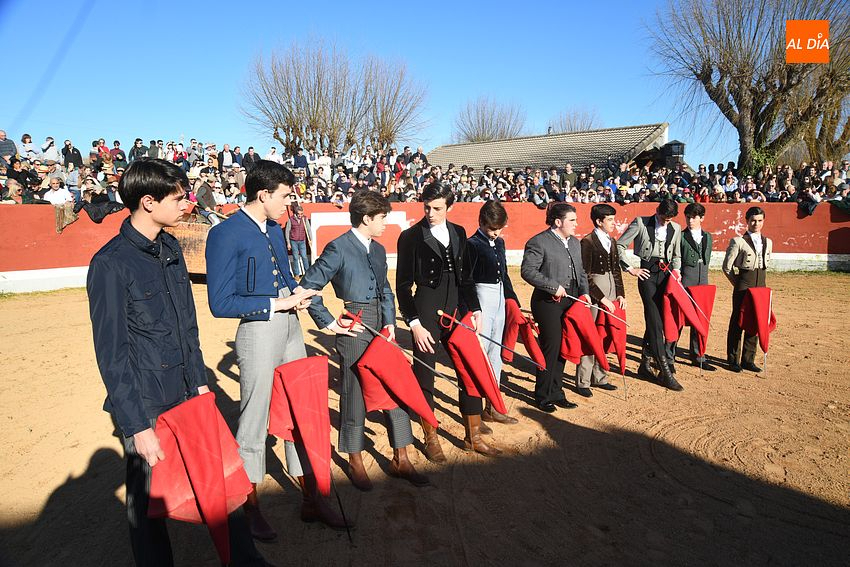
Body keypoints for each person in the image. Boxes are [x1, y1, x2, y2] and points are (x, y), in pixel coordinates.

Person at [86, 159, 269, 566]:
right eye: (177, 197)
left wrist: (201, 381)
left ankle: (245, 561)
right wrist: (136, 426)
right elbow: (112, 354)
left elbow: (187, 324)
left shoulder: (170, 247)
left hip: (188, 390)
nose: (186, 202)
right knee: (148, 501)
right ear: (148, 202)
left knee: (221, 479)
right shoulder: (109, 264)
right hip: (148, 405)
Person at [206, 160, 345, 540]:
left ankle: (310, 499)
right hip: (259, 328)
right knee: (253, 418)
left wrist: (303, 299)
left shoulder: (273, 227)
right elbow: (219, 303)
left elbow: (285, 277)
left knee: (299, 411)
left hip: (290, 325)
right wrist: (274, 305)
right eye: (284, 196)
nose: (290, 203)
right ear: (263, 194)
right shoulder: (225, 233)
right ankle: (249, 507)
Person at [301, 190, 428, 490]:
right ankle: (355, 458)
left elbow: (385, 290)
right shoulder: (338, 248)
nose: (386, 223)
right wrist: (330, 322)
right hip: (354, 326)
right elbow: (307, 287)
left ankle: (402, 457)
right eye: (382, 217)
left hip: (382, 330)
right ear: (367, 218)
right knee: (354, 392)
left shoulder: (378, 250)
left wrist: (390, 325)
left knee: (396, 388)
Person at [396, 182, 499, 461]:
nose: (430, 213)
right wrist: (414, 323)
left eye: (437, 208)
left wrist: (474, 309)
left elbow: (465, 278)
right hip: (426, 310)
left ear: (450, 207)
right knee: (425, 373)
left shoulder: (458, 232)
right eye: (427, 207)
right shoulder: (410, 237)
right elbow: (403, 286)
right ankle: (430, 436)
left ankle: (473, 436)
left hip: (456, 309)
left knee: (469, 368)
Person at [520, 203, 590, 413]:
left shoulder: (575, 243)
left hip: (572, 300)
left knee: (564, 347)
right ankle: (542, 394)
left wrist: (584, 292)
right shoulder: (538, 242)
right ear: (558, 222)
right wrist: (552, 286)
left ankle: (557, 392)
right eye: (572, 220)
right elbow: (527, 271)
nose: (576, 224)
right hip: (547, 302)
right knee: (550, 348)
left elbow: (581, 271)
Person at [617, 199, 684, 391]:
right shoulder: (641, 222)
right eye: (664, 218)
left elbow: (677, 254)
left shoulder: (676, 228)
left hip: (667, 276)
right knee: (654, 321)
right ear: (657, 211)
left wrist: (677, 270)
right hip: (647, 275)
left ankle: (645, 364)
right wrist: (631, 268)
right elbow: (619, 246)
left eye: (669, 219)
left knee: (660, 321)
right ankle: (664, 370)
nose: (666, 222)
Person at [467, 200, 519, 424]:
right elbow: (467, 279)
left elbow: (504, 274)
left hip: (498, 296)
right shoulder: (471, 244)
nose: (496, 233)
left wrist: (512, 300)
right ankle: (476, 408)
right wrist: (475, 308)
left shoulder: (499, 243)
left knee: (495, 351)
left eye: (499, 228)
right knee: (481, 350)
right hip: (482, 296)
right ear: (481, 222)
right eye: (491, 228)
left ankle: (492, 403)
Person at [576, 204, 624, 397]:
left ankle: (600, 376)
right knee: (591, 334)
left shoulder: (611, 241)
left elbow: (616, 270)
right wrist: (602, 298)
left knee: (605, 333)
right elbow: (585, 275)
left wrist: (620, 294)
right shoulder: (587, 242)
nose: (614, 222)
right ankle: (583, 381)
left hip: (611, 288)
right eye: (610, 219)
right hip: (596, 290)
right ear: (599, 221)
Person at [722, 206, 772, 373]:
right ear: (747, 221)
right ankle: (733, 359)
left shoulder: (768, 242)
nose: (756, 224)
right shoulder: (738, 241)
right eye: (752, 220)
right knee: (737, 321)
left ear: (763, 221)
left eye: (759, 221)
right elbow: (727, 267)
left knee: (755, 321)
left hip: (761, 285)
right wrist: (737, 283)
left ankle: (748, 360)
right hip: (744, 284)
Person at [679, 203, 716, 370]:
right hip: (685, 282)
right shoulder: (680, 236)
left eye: (693, 217)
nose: (690, 220)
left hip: (703, 283)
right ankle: (669, 354)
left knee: (700, 320)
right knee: (678, 319)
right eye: (687, 217)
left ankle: (697, 355)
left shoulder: (708, 237)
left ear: (701, 218)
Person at [284, 204, 311, 277]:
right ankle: (296, 274)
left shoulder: (305, 219)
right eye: (299, 214)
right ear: (296, 213)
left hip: (302, 241)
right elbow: (287, 231)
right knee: (295, 257)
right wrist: (288, 243)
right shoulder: (291, 219)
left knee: (304, 257)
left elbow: (308, 230)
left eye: (301, 214)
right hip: (293, 241)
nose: (300, 215)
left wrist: (310, 240)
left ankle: (307, 273)